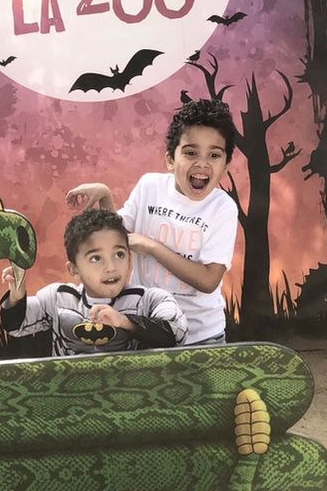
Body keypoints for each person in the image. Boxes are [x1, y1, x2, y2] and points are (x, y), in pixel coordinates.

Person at [66, 98, 238, 346]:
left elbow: (209, 280)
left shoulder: (222, 208)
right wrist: (105, 194)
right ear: (170, 159)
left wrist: (152, 247)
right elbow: (118, 236)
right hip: (148, 329)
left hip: (201, 336)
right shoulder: (150, 186)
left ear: (225, 165)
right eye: (190, 152)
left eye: (214, 155)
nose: (202, 163)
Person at [0, 208, 188, 356]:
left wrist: (126, 322)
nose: (111, 267)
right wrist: (17, 297)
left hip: (129, 397)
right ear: (74, 269)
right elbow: (17, 326)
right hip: (71, 397)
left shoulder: (149, 300)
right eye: (96, 258)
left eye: (119, 254)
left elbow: (177, 334)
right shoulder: (57, 298)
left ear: (130, 258)